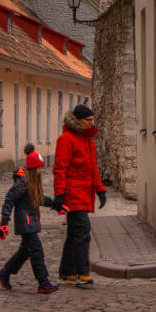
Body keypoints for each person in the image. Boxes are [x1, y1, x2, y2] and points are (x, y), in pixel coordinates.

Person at [52, 104, 106, 287]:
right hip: (73, 195)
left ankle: (66, 273)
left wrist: (100, 189)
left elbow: (92, 169)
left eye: (93, 120)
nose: (92, 124)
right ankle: (83, 274)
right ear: (79, 121)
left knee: (74, 233)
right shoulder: (66, 139)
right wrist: (59, 194)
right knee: (83, 232)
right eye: (89, 121)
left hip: (84, 194)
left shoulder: (88, 141)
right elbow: (60, 168)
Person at [0, 144, 59, 294]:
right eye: (39, 167)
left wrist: (55, 204)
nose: (41, 170)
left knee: (25, 251)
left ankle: (4, 273)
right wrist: (4, 222)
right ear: (32, 168)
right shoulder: (22, 183)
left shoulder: (32, 181)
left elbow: (38, 199)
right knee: (37, 251)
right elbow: (9, 200)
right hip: (26, 223)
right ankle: (43, 283)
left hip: (30, 221)